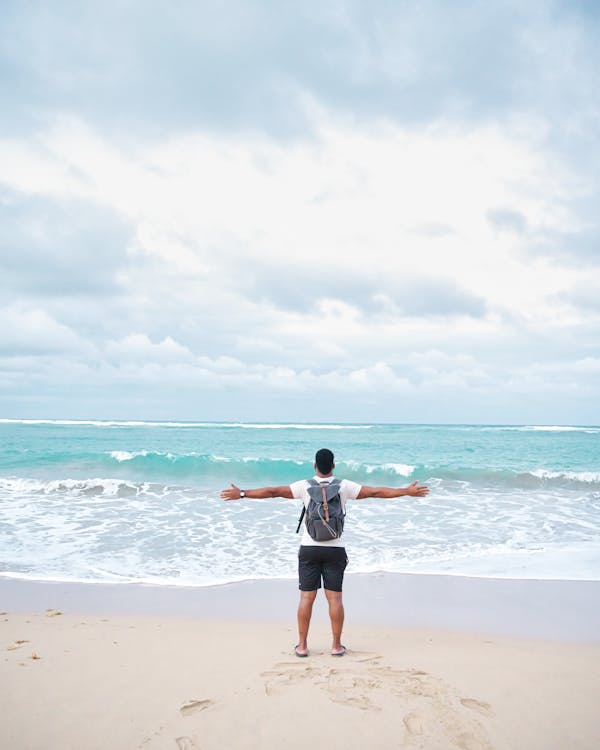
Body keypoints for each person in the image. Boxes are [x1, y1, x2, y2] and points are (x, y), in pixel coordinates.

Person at [220, 447, 429, 657]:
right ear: (334, 466)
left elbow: (273, 492)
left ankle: (302, 646)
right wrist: (406, 491)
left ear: (314, 466)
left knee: (306, 598)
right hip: (335, 550)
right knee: (335, 599)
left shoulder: (304, 486)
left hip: (309, 549)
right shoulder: (344, 487)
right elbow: (376, 492)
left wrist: (243, 494)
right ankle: (336, 646)